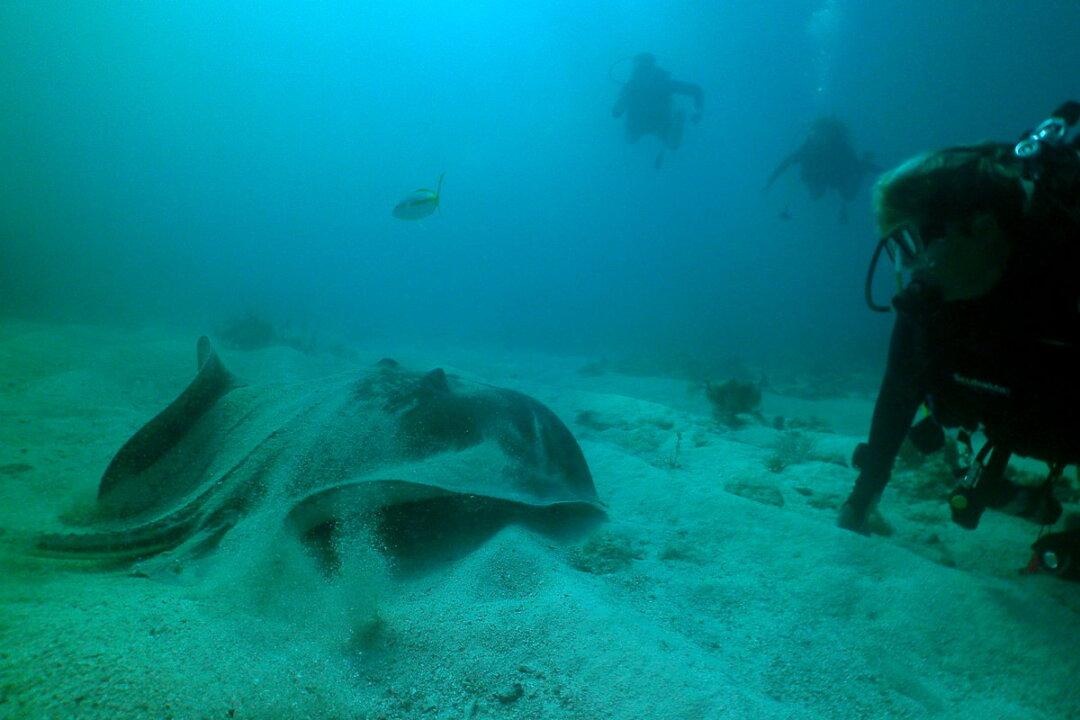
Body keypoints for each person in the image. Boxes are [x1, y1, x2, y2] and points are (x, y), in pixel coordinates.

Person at [840, 101, 1080, 579]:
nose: (910, 269)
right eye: (899, 247)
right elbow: (899, 390)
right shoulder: (933, 307)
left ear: (985, 231)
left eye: (919, 243)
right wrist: (861, 500)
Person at [764, 117, 880, 222]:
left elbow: (856, 165)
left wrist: (871, 169)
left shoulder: (841, 148)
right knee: (816, 196)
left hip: (837, 176)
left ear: (829, 135)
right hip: (819, 176)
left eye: (821, 135)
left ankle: (860, 171)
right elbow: (786, 163)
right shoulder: (807, 148)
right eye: (815, 135)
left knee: (848, 196)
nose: (817, 138)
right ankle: (858, 171)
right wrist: (770, 181)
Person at [611, 53, 703, 168]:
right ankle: (678, 119)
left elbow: (616, 113)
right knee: (672, 144)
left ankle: (677, 120)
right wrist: (698, 110)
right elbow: (696, 89)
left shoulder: (631, 87)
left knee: (631, 139)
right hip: (660, 122)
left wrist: (624, 98)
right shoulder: (663, 83)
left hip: (640, 124)